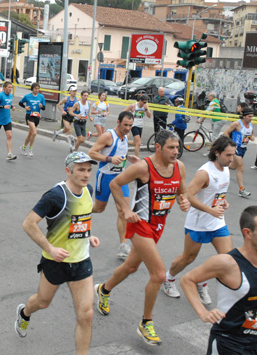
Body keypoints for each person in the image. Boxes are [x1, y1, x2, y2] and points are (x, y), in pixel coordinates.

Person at [94, 130, 190, 346]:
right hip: (140, 225)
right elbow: (115, 184)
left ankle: (103, 289)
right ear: (158, 147)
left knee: (130, 267)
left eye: (178, 147)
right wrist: (126, 209)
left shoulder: (179, 167)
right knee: (158, 275)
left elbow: (182, 192)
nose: (176, 152)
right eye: (171, 148)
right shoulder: (143, 167)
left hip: (158, 226)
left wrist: (185, 201)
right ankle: (146, 323)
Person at [181, 206, 257, 354]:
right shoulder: (227, 263)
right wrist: (203, 312)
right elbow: (188, 280)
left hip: (256, 344)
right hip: (227, 345)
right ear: (248, 233)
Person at [14, 152, 100, 355]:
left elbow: (78, 219)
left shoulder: (87, 190)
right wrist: (50, 248)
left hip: (81, 262)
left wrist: (87, 236)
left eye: (89, 170)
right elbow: (28, 224)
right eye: (81, 169)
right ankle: (24, 313)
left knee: (86, 314)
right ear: (68, 171)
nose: (86, 174)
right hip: (55, 262)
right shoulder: (55, 195)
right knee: (43, 302)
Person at [162, 136, 236, 303]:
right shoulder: (205, 173)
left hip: (217, 222)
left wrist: (222, 201)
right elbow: (188, 195)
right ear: (217, 153)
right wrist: (210, 209)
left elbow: (215, 194)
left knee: (228, 260)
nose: (231, 159)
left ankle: (201, 281)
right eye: (228, 155)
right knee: (188, 258)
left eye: (233, 155)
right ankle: (168, 278)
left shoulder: (225, 169)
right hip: (198, 223)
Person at [87, 111, 139, 259]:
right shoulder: (108, 136)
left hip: (120, 178)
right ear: (118, 122)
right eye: (125, 125)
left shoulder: (125, 136)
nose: (128, 128)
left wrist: (128, 157)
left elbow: (119, 155)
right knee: (98, 208)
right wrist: (109, 159)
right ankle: (78, 210)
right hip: (105, 177)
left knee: (124, 210)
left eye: (130, 125)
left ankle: (123, 245)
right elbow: (91, 152)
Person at [223, 107, 255, 198]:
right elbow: (225, 133)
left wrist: (251, 137)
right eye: (249, 116)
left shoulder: (251, 124)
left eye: (252, 116)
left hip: (244, 148)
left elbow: (251, 135)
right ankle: (242, 189)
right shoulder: (236, 124)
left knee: (233, 167)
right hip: (236, 148)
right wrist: (231, 144)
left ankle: (219, 165)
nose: (251, 118)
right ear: (244, 116)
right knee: (241, 168)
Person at [18, 82, 46, 157]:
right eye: (35, 88)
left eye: (38, 89)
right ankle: (30, 149)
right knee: (34, 133)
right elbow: (20, 103)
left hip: (37, 116)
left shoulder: (41, 97)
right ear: (32, 89)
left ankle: (23, 147)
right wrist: (25, 107)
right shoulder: (27, 96)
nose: (37, 90)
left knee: (30, 134)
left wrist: (41, 106)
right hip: (29, 115)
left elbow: (44, 108)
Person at [53, 86, 79, 151]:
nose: (74, 92)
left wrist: (77, 113)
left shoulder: (77, 100)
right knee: (69, 129)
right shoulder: (66, 99)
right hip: (66, 116)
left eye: (75, 91)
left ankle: (56, 133)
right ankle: (71, 146)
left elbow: (78, 109)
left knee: (65, 130)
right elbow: (58, 104)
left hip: (71, 116)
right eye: (73, 91)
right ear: (70, 92)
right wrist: (62, 111)